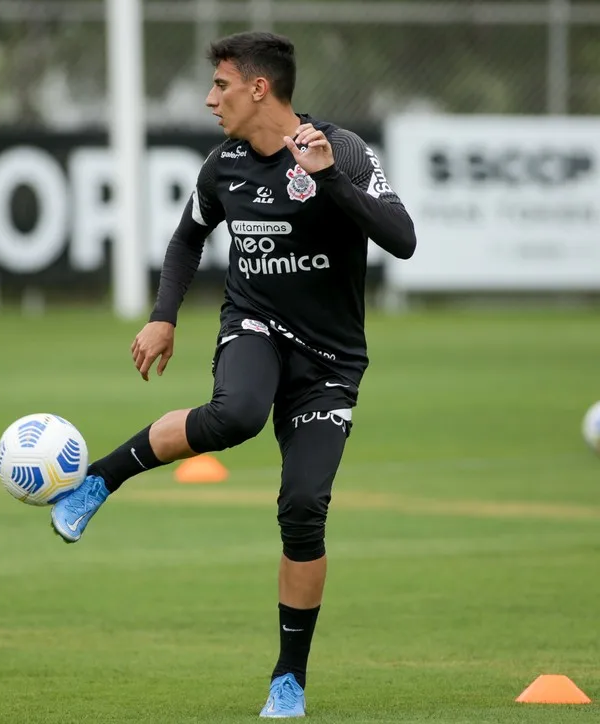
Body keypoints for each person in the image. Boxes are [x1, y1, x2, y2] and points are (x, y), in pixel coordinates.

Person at [50, 31, 416, 718]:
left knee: (304, 510)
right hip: (253, 326)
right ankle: (100, 478)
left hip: (332, 360)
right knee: (237, 415)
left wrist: (332, 176)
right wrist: (164, 316)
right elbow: (189, 236)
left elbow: (403, 238)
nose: (209, 98)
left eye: (220, 85)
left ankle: (289, 679)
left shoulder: (344, 149)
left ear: (258, 88)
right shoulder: (222, 168)